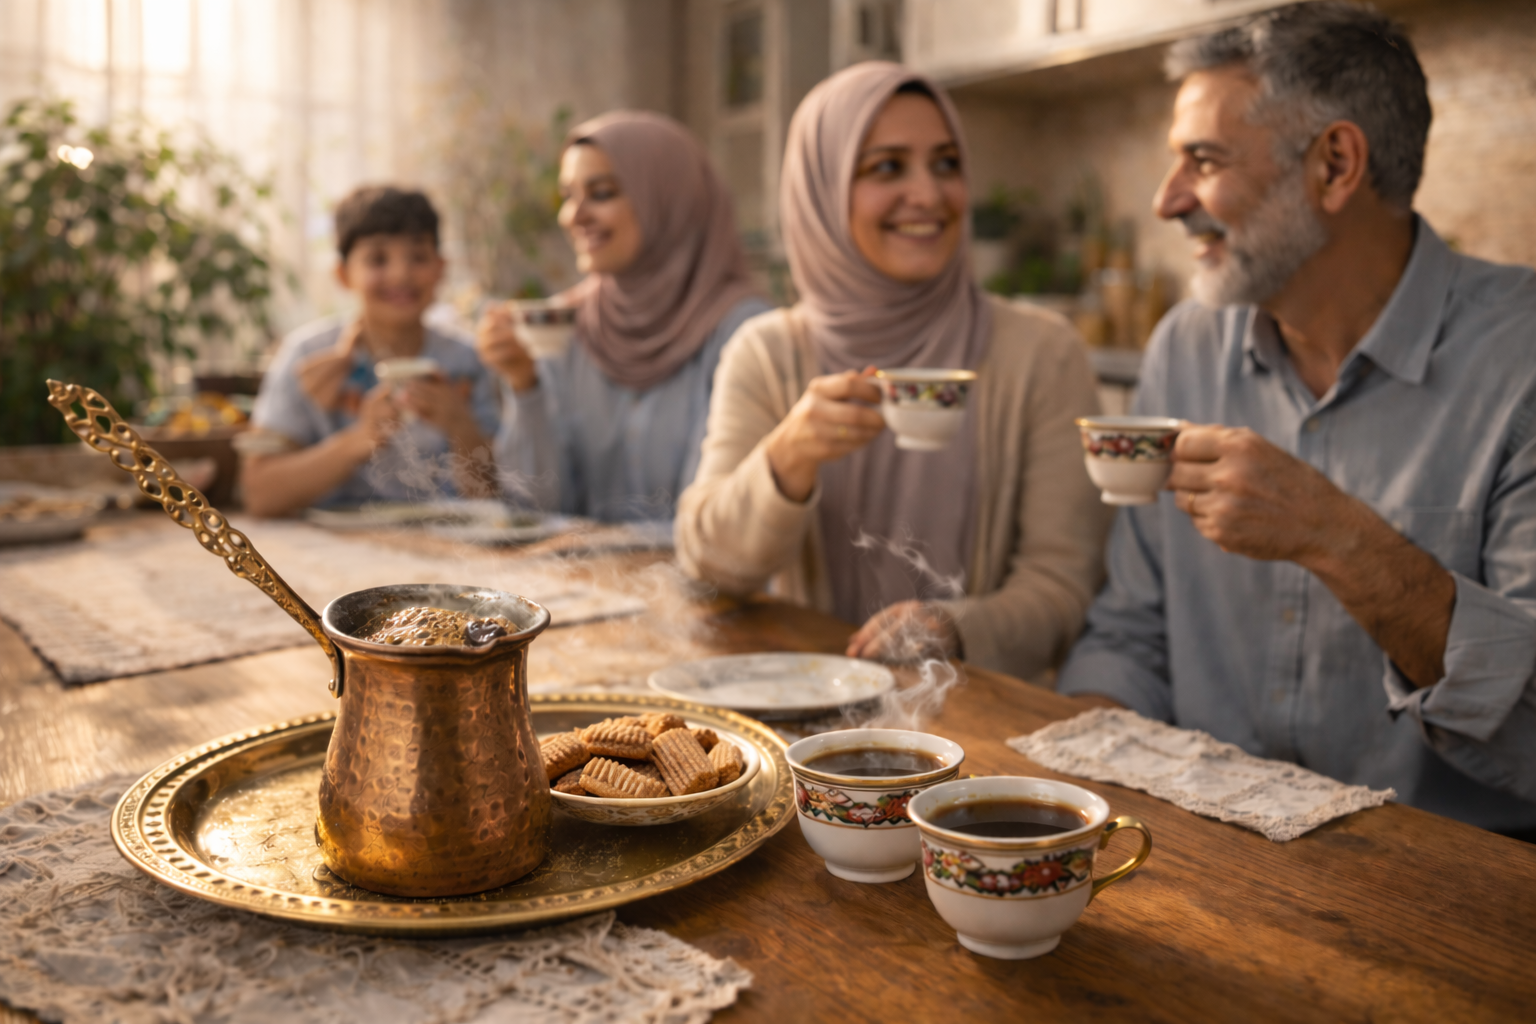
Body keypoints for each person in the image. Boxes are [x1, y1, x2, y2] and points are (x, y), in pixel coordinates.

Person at [1057, 2, 1536, 835]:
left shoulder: (1521, 361)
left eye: (1202, 160)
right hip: (1205, 856)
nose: (1169, 201)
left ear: (1336, 164)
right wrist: (1069, 778)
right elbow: (1131, 633)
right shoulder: (1184, 350)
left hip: (1447, 897)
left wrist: (1337, 536)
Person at [674, 63, 1110, 678]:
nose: (929, 195)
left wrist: (956, 628)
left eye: (946, 164)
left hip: (975, 716)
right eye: (886, 167)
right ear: (820, 190)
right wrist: (788, 457)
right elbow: (709, 568)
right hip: (802, 703)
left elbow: (1065, 586)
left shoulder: (1042, 352)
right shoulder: (768, 352)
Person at [478, 111, 771, 523]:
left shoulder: (745, 332)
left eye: (601, 193)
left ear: (670, 200)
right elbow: (536, 508)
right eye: (568, 196)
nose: (572, 216)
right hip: (584, 583)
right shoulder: (566, 324)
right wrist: (524, 385)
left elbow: (717, 527)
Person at [241, 186, 499, 516]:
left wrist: (460, 425)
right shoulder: (307, 356)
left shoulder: (469, 361)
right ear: (343, 274)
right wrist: (359, 440)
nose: (400, 274)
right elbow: (260, 493)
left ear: (440, 269)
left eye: (418, 258)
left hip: (448, 553)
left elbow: (494, 499)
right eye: (378, 259)